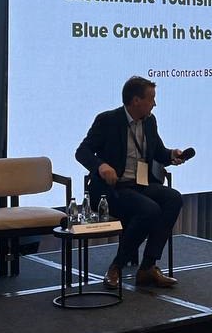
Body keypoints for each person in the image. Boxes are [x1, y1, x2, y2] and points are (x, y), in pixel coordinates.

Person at [75, 76, 188, 289]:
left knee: (173, 198)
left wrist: (172, 154)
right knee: (150, 210)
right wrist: (101, 166)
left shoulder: (150, 121)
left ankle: (147, 267)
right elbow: (82, 152)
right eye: (151, 99)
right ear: (136, 101)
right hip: (111, 189)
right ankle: (116, 266)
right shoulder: (108, 120)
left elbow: (158, 153)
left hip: (140, 185)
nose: (154, 104)